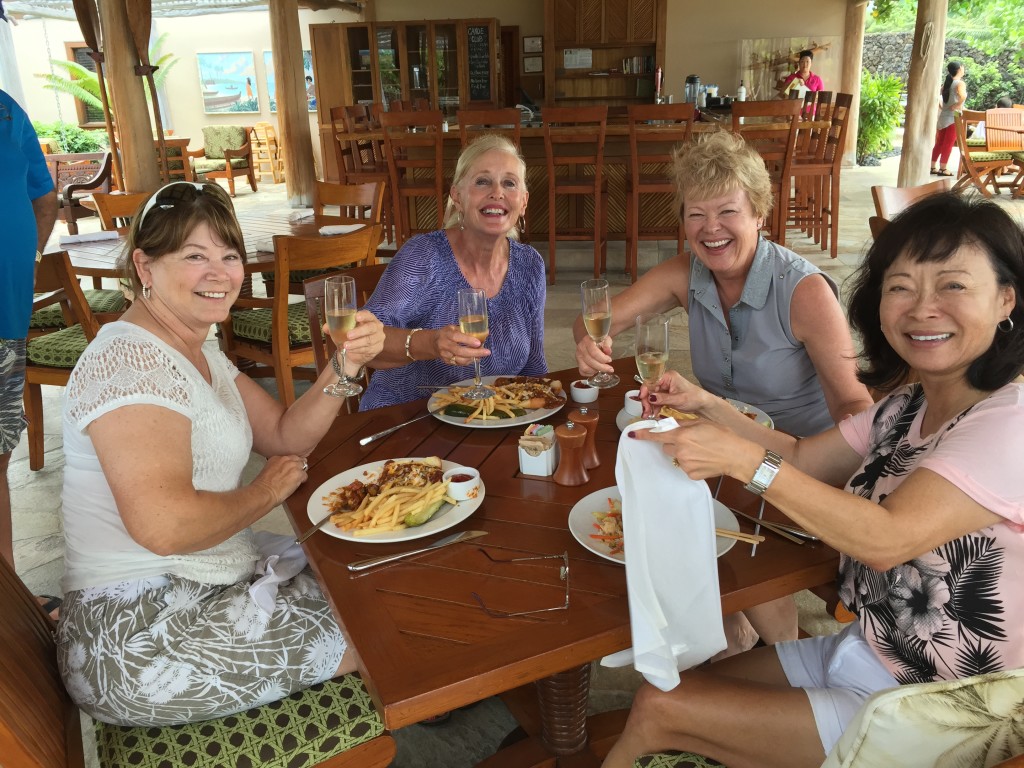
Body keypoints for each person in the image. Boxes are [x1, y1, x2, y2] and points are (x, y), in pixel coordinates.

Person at [601, 192, 1024, 768]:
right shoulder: (908, 404)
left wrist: (742, 461)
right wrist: (710, 405)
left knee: (658, 706)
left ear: (1006, 299)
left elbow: (886, 538)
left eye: (952, 285)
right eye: (901, 286)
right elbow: (801, 457)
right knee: (686, 678)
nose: (922, 308)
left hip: (940, 707)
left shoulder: (1010, 418)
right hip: (871, 651)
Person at [54, 181, 385, 727]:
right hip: (139, 639)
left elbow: (284, 435)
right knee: (378, 623)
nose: (220, 273)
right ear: (145, 266)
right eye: (194, 256)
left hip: (200, 579)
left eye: (228, 256)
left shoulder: (194, 343)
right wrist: (266, 492)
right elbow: (164, 527)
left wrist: (343, 366)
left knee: (365, 564)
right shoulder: (130, 363)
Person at [574, 130, 874, 653]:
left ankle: (782, 662)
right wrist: (589, 345)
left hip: (795, 464)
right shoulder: (685, 275)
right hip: (718, 450)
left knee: (732, 548)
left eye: (728, 211)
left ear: (759, 212)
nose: (710, 229)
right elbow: (594, 323)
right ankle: (726, 633)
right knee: (635, 503)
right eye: (696, 213)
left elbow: (855, 408)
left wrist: (842, 484)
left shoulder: (802, 291)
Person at [358, 133, 546, 410]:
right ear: (457, 196)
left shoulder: (530, 265)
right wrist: (430, 343)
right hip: (404, 420)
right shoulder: (424, 256)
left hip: (490, 422)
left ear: (524, 201)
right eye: (482, 181)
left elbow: (534, 365)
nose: (497, 192)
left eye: (509, 183)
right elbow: (364, 343)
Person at [0, 89, 58, 570]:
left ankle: (8, 595)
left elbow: (44, 198)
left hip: (6, 316)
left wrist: (29, 258)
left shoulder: (6, 110)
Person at [930, 61, 967, 177]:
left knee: (939, 143)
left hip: (943, 117)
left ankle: (932, 166)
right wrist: (957, 105)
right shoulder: (959, 83)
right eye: (963, 67)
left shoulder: (946, 84)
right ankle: (943, 168)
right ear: (959, 69)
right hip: (953, 117)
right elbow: (963, 96)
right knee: (948, 144)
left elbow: (936, 99)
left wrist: (944, 107)